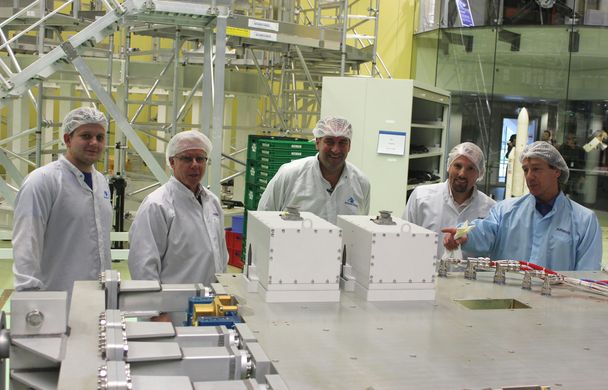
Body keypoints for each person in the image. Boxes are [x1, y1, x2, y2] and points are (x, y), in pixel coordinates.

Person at [442, 141, 601, 271]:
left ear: (556, 171)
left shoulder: (584, 221)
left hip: (556, 306)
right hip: (507, 302)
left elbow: (587, 273)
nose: (530, 176)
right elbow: (485, 231)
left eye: (536, 169)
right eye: (526, 170)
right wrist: (465, 235)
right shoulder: (505, 210)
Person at [128, 130, 228, 321]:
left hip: (209, 309)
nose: (195, 165)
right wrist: (155, 313)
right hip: (171, 313)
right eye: (187, 158)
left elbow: (221, 256)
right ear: (172, 162)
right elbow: (143, 265)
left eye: (200, 158)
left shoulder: (212, 202)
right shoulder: (157, 205)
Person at [12, 107, 112, 296]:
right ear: (67, 139)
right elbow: (26, 243)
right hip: (55, 299)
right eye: (86, 136)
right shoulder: (42, 180)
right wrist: (30, 297)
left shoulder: (102, 183)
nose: (94, 143)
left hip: (97, 299)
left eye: (100, 137)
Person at [257, 116, 370, 224]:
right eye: (329, 141)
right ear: (317, 143)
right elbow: (263, 218)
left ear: (349, 146)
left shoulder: (361, 183)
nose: (336, 149)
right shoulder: (290, 175)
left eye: (342, 142)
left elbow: (360, 229)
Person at [403, 142, 495, 259]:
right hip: (424, 275)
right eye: (457, 166)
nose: (462, 174)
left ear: (479, 173)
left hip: (467, 277)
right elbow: (404, 239)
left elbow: (491, 251)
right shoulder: (421, 197)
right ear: (449, 166)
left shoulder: (490, 208)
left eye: (470, 168)